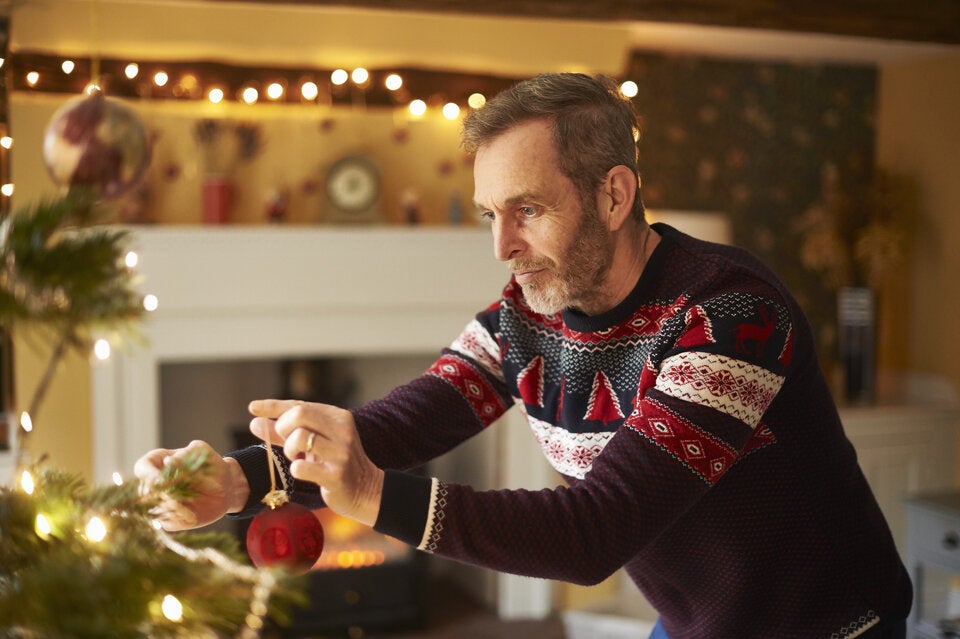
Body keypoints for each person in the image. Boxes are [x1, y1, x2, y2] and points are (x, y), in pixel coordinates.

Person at [136, 73, 912, 638]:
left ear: (614, 196)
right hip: (696, 622)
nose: (502, 245)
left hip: (827, 625)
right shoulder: (527, 315)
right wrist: (238, 479)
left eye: (528, 210)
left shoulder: (732, 314)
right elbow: (410, 419)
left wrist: (372, 496)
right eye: (488, 215)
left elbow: (592, 532)